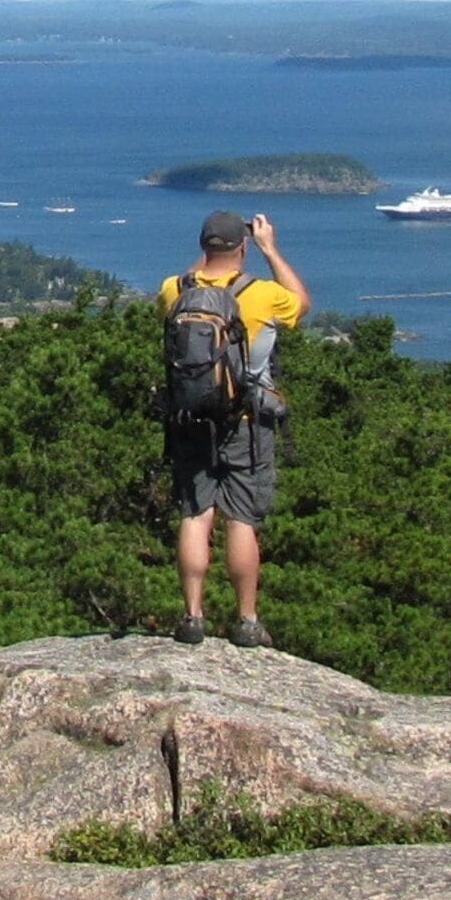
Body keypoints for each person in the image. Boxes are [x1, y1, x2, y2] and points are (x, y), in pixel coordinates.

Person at [157, 207, 309, 646]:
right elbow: (302, 303)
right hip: (245, 421)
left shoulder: (174, 289)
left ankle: (192, 617)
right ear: (242, 247)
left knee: (194, 514)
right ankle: (246, 621)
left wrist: (203, 264)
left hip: (188, 420)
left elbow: (182, 294)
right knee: (241, 520)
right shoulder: (263, 295)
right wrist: (270, 249)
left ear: (204, 248)